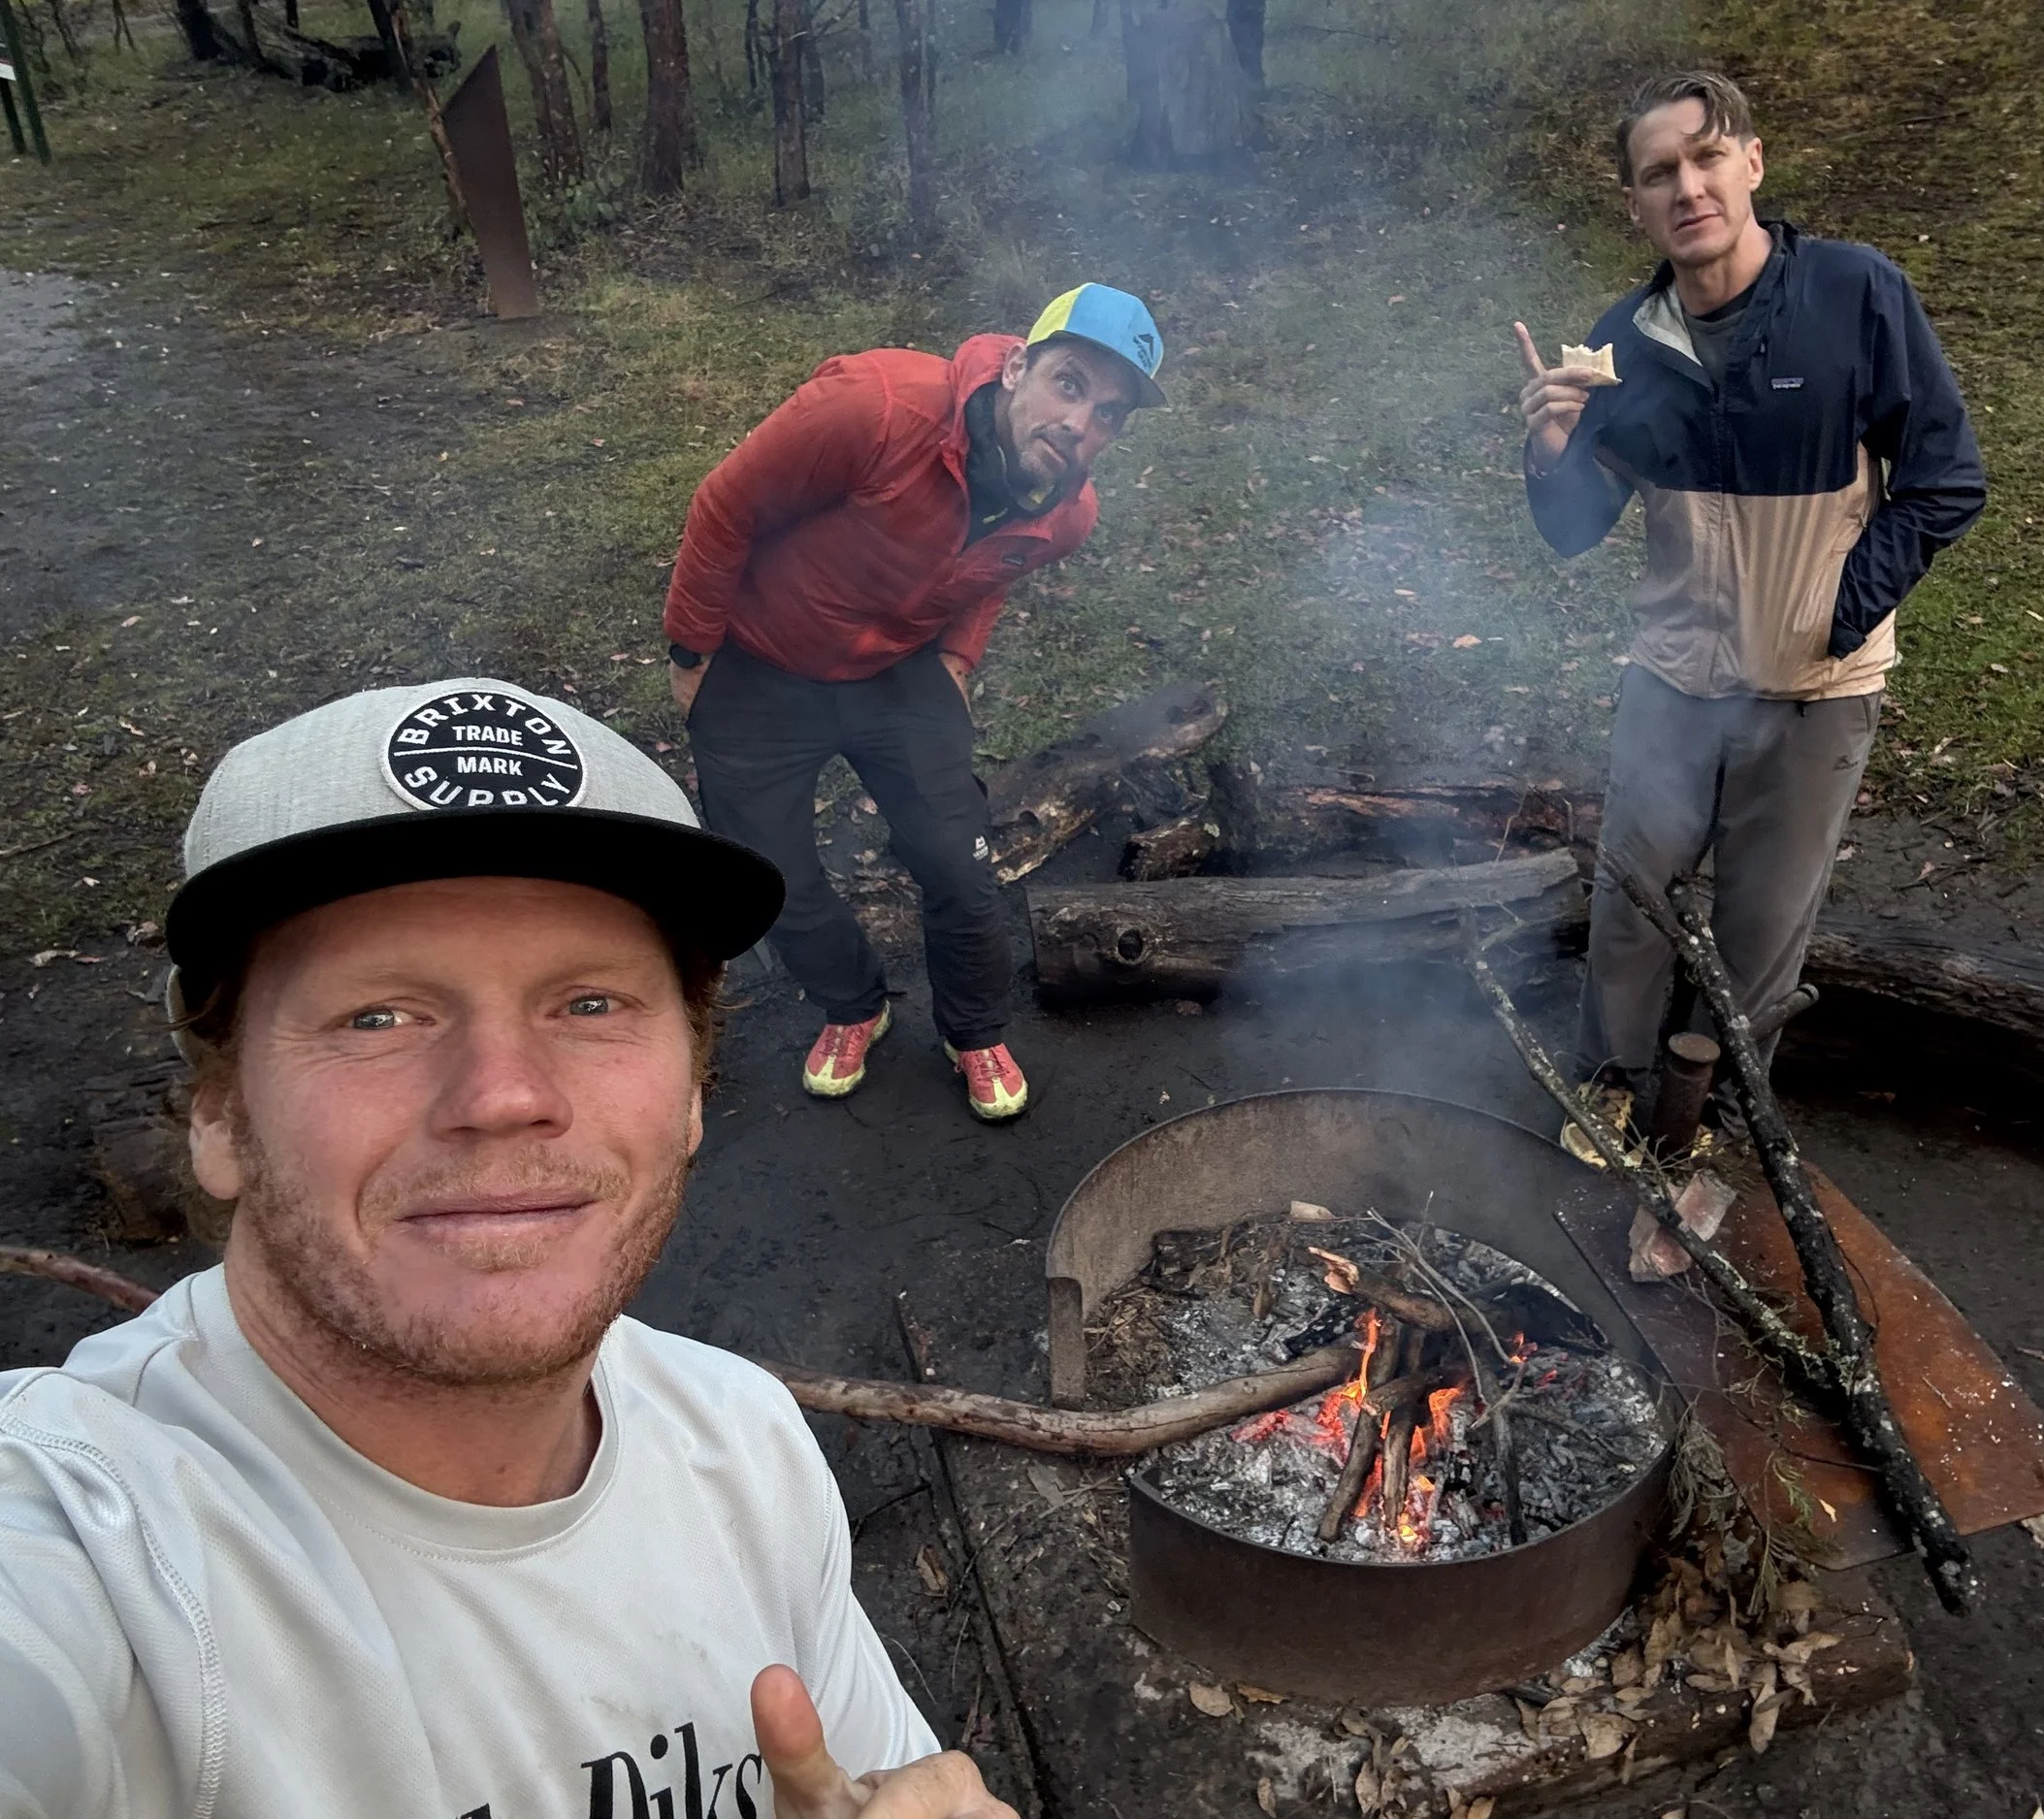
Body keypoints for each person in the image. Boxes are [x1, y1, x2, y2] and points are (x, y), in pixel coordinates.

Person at [0, 678, 1014, 1819]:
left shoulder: (744, 1444)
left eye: (589, 1005)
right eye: (377, 1015)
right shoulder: (85, 1553)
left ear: (690, 1092)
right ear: (219, 1113)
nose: (503, 1096)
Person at [1514, 70, 1986, 1140]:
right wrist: (1549, 456)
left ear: (1751, 163)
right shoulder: (1623, 345)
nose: (1686, 186)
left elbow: (1945, 477)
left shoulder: (1853, 295)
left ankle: (1708, 1129)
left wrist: (1840, 608)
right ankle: (1604, 1104)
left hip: (1814, 689)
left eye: (1704, 157)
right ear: (1634, 203)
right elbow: (1575, 528)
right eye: (1657, 174)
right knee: (1629, 909)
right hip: (1673, 682)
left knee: (1759, 937)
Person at [664, 283, 1170, 1123]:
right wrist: (692, 649)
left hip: (897, 669)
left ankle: (972, 1027)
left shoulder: (1068, 513)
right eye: (1070, 385)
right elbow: (726, 506)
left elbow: (989, 570)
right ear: (1016, 366)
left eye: (1110, 414)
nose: (1083, 425)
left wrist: (959, 657)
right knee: (771, 871)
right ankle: (853, 1003)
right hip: (761, 662)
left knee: (960, 866)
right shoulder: (876, 406)